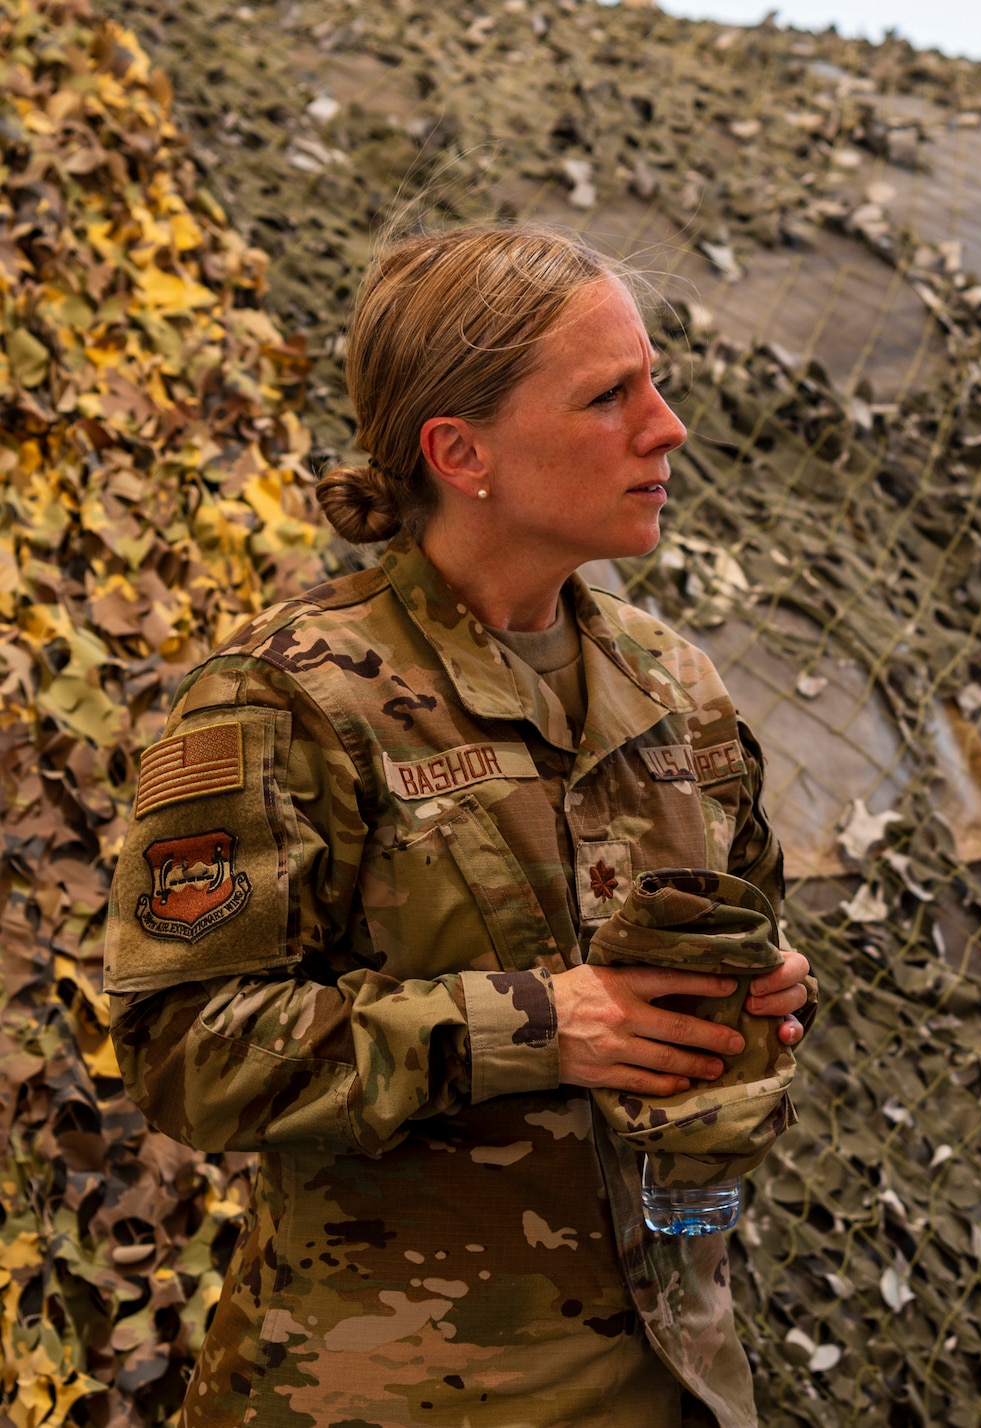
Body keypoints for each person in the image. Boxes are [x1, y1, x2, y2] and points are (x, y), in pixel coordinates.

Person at [105, 225, 811, 1428]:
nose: (666, 427)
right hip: (391, 1393)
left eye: (657, 383)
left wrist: (768, 991)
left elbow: (755, 932)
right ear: (460, 449)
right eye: (609, 396)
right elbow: (185, 1050)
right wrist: (542, 1024)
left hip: (671, 1379)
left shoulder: (674, 687)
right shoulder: (291, 697)